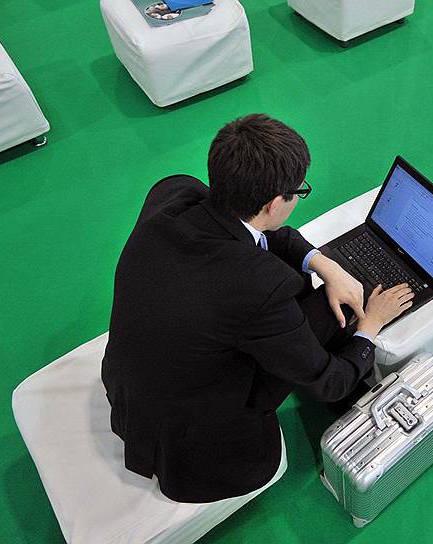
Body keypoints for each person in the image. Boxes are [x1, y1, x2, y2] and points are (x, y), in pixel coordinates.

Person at [101, 113, 414, 503]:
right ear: (273, 203)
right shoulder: (258, 286)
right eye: (298, 192)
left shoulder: (175, 193)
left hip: (133, 387)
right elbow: (329, 382)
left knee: (307, 294)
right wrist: (370, 325)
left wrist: (324, 263)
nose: (297, 198)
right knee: (340, 319)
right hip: (191, 443)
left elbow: (262, 234)